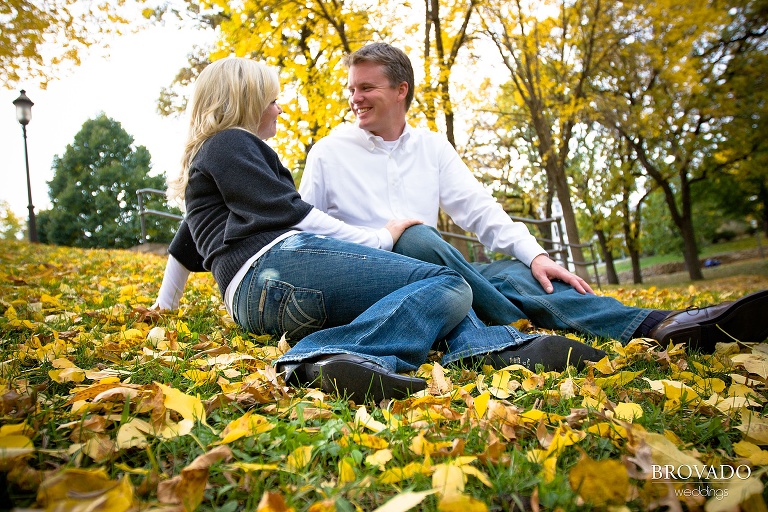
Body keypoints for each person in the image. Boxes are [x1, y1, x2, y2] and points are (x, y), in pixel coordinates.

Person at [158, 56, 605, 403]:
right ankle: (332, 355)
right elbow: (296, 215)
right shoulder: (234, 143)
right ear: (246, 103)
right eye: (272, 99)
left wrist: (165, 307)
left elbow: (184, 243)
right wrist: (382, 237)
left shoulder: (217, 159)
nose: (279, 107)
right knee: (446, 281)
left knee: (423, 282)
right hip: (275, 272)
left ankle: (479, 344)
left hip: (259, 298)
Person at [298, 42, 768, 354]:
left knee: (518, 273)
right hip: (379, 279)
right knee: (416, 238)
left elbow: (479, 209)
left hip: (447, 277)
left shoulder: (432, 147)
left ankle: (657, 325)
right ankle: (516, 325)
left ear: (401, 90)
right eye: (351, 88)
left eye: (366, 87)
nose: (354, 98)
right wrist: (377, 239)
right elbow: (303, 232)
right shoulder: (328, 152)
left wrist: (536, 254)